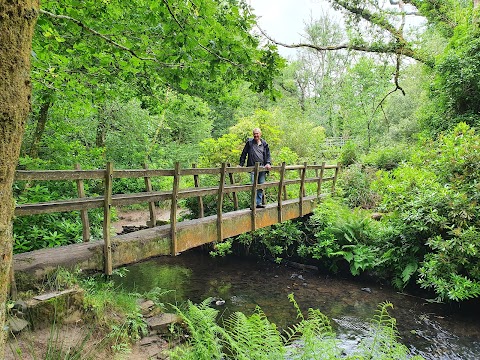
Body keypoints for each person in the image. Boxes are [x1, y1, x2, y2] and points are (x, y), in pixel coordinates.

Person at [239, 128, 272, 208]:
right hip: (252, 167)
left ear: (260, 134)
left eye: (257, 133)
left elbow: (268, 154)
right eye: (254, 134)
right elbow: (244, 153)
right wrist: (241, 164)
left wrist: (268, 163)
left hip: (262, 167)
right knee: (254, 185)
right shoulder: (249, 143)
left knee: (260, 185)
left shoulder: (264, 143)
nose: (256, 135)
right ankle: (253, 204)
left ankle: (258, 203)